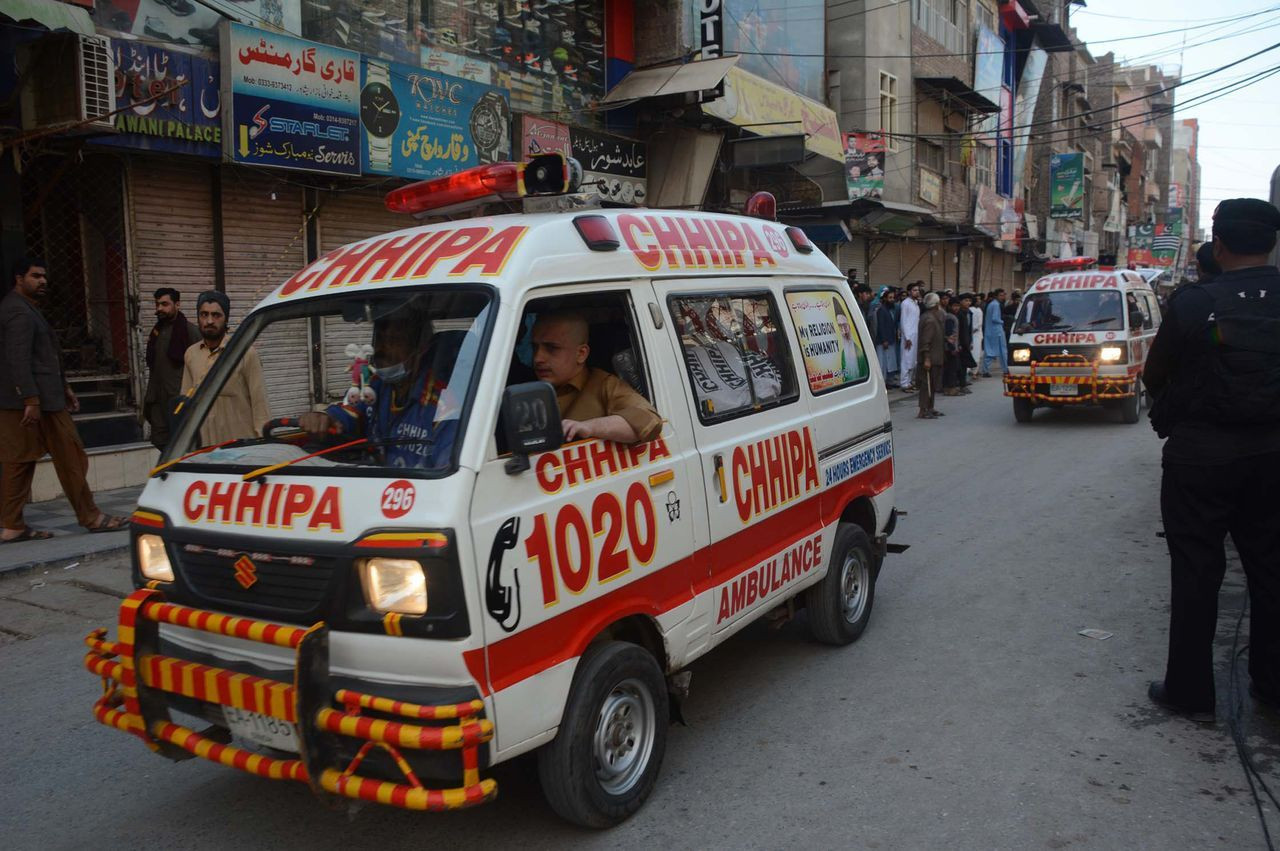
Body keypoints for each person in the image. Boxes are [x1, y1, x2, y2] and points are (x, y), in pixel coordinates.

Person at [1143, 198, 1280, 722]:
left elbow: (1156, 376)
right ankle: (1270, 684)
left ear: (1218, 245)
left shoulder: (1194, 303)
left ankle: (1191, 693)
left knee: (1196, 571)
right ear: (1269, 244)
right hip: (1273, 456)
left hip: (1200, 458)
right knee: (1270, 568)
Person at [0, 257, 125, 542]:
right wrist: (31, 399)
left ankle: (12, 525)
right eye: (36, 276)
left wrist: (65, 387)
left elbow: (41, 357)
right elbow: (17, 360)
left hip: (31, 399)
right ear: (19, 278)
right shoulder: (18, 312)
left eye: (44, 276)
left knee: (19, 462)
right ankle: (90, 516)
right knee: (71, 456)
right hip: (36, 402)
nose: (43, 281)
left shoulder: (23, 308)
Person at [301, 303, 463, 468]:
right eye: (379, 338)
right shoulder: (375, 385)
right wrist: (325, 418)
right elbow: (348, 414)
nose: (382, 348)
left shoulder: (442, 409)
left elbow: (446, 474)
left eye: (394, 340)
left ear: (420, 349)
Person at [532, 311, 662, 444]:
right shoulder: (527, 386)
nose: (537, 358)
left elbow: (649, 420)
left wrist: (589, 427)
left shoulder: (605, 385)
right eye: (534, 347)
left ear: (581, 354)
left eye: (552, 348)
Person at [180, 291, 270, 447]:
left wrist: (263, 444)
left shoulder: (245, 353)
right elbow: (185, 403)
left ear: (226, 318)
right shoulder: (191, 354)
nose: (209, 321)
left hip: (241, 449)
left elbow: (260, 405)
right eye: (204, 315)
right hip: (204, 451)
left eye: (216, 315)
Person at [142, 288, 199, 450]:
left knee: (184, 445)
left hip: (179, 401)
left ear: (177, 304)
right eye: (157, 304)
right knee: (161, 442)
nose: (159, 308)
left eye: (164, 304)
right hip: (157, 400)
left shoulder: (190, 331)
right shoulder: (156, 332)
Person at [916, 292, 945, 419]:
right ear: (936, 305)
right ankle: (923, 409)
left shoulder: (932, 316)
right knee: (926, 385)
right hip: (930, 358)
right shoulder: (930, 320)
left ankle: (930, 407)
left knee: (932, 384)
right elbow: (925, 341)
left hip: (935, 357)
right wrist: (927, 358)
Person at [871, 287, 900, 388]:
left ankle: (888, 381)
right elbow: (881, 326)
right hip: (883, 341)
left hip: (890, 340)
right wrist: (884, 340)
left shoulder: (890, 310)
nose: (892, 300)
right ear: (885, 299)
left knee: (890, 363)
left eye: (893, 298)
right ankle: (882, 383)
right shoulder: (881, 310)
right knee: (882, 363)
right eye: (890, 297)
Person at [899, 283, 921, 392]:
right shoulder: (905, 303)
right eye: (914, 290)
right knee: (906, 359)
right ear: (909, 291)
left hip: (915, 335)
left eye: (917, 290)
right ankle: (904, 383)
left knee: (913, 360)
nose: (917, 292)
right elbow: (903, 321)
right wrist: (907, 337)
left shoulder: (916, 303)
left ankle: (909, 382)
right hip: (908, 336)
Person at [982, 288, 1008, 376]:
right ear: (996, 296)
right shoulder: (996, 305)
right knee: (1002, 351)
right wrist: (1003, 321)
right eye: (1001, 295)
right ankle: (1005, 370)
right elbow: (995, 318)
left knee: (990, 350)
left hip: (990, 331)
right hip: (997, 331)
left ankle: (985, 370)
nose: (1003, 297)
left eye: (1004, 295)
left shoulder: (991, 304)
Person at [969, 292, 984, 379]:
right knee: (976, 353)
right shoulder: (978, 311)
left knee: (972, 352)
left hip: (972, 334)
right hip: (976, 334)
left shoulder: (971, 310)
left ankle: (972, 371)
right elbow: (979, 324)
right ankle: (974, 372)